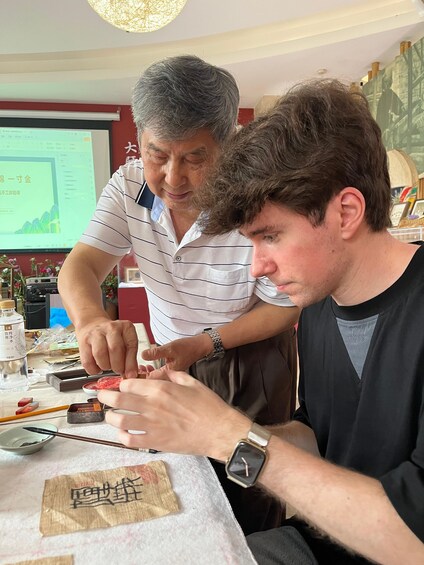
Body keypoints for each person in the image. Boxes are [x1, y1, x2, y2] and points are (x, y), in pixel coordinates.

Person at [97, 79, 424, 565]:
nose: (256, 268)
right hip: (331, 542)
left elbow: (414, 539)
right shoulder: (319, 306)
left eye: (270, 236)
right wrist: (200, 424)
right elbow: (318, 438)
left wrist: (225, 434)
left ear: (346, 212)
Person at [58, 55, 299, 534]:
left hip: (249, 358)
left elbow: (283, 306)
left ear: (227, 143)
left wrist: (205, 343)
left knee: (250, 491)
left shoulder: (259, 191)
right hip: (171, 359)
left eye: (194, 158)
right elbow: (80, 266)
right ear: (140, 138)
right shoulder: (129, 185)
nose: (173, 178)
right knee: (178, 490)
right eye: (157, 154)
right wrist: (90, 321)